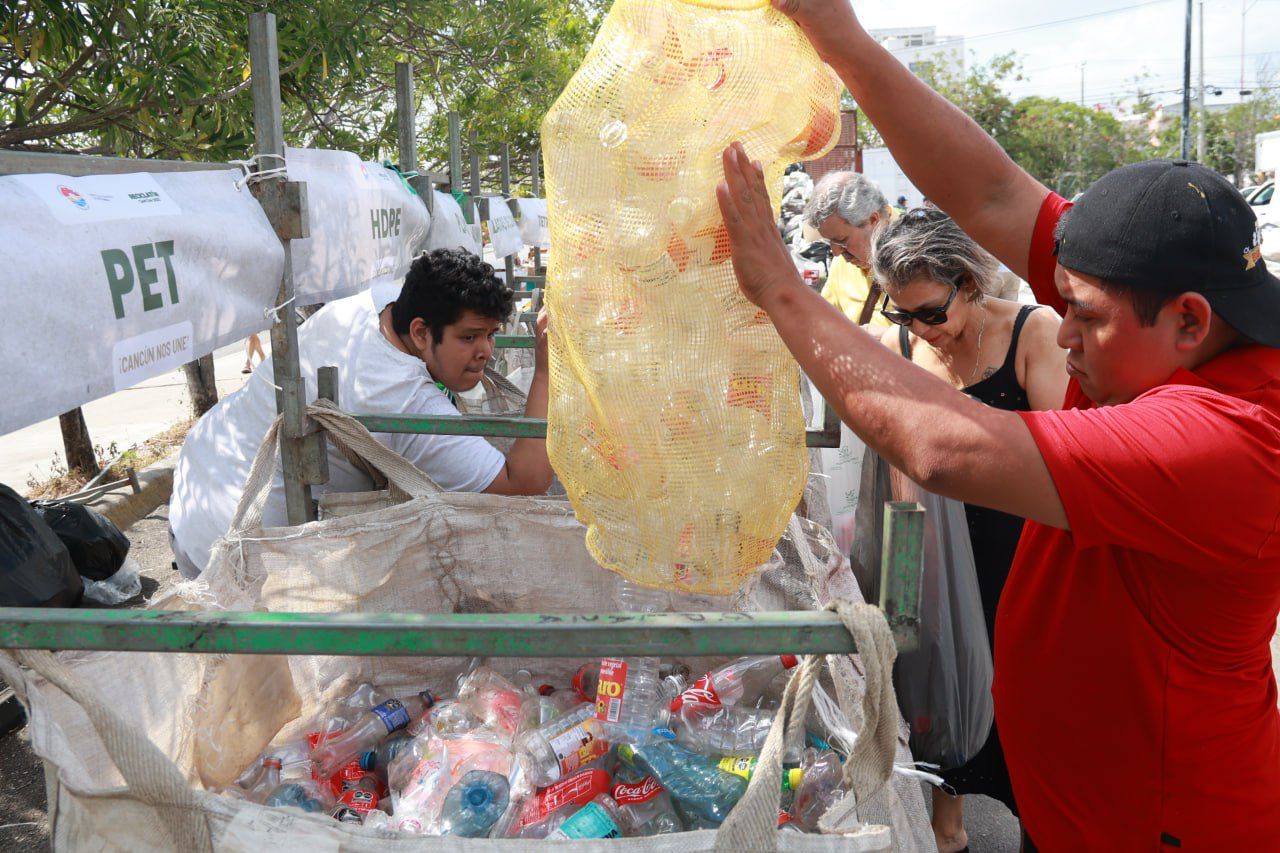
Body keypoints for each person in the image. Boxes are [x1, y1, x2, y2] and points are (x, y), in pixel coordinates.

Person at [716, 1, 1280, 848]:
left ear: (1190, 319)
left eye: (1083, 315)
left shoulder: (1234, 439)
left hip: (1161, 825)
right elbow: (989, 192)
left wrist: (779, 289)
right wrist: (838, 36)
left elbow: (943, 446)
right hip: (1083, 807)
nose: (1062, 329)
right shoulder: (1153, 324)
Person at [869, 208, 1066, 851]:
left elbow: (1067, 466)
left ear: (970, 283)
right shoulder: (901, 346)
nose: (921, 330)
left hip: (1025, 556)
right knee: (942, 702)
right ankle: (946, 833)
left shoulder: (1034, 334)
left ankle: (1039, 830)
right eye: (903, 315)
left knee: (1033, 715)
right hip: (940, 564)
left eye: (931, 312)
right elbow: (896, 474)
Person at [170, 248, 553, 577]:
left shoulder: (378, 300)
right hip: (237, 554)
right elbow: (523, 483)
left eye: (491, 334)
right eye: (468, 337)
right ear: (421, 332)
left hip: (198, 477)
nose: (485, 351)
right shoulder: (400, 397)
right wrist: (546, 371)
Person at [806, 171, 895, 325]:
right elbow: (827, 321)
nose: (836, 252)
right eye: (830, 242)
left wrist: (892, 336)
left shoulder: (920, 255)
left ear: (873, 220)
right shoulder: (840, 265)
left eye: (842, 241)